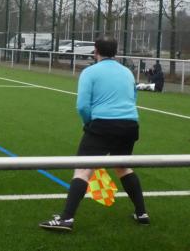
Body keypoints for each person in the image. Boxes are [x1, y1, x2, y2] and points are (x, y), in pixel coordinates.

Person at [39, 35, 149, 232]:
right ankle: (142, 213)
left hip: (103, 124)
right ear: (115, 51)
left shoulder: (90, 72)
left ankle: (66, 219)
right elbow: (133, 98)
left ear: (95, 50)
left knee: (82, 169)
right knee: (123, 167)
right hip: (130, 124)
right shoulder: (127, 72)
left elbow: (82, 106)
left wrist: (89, 122)